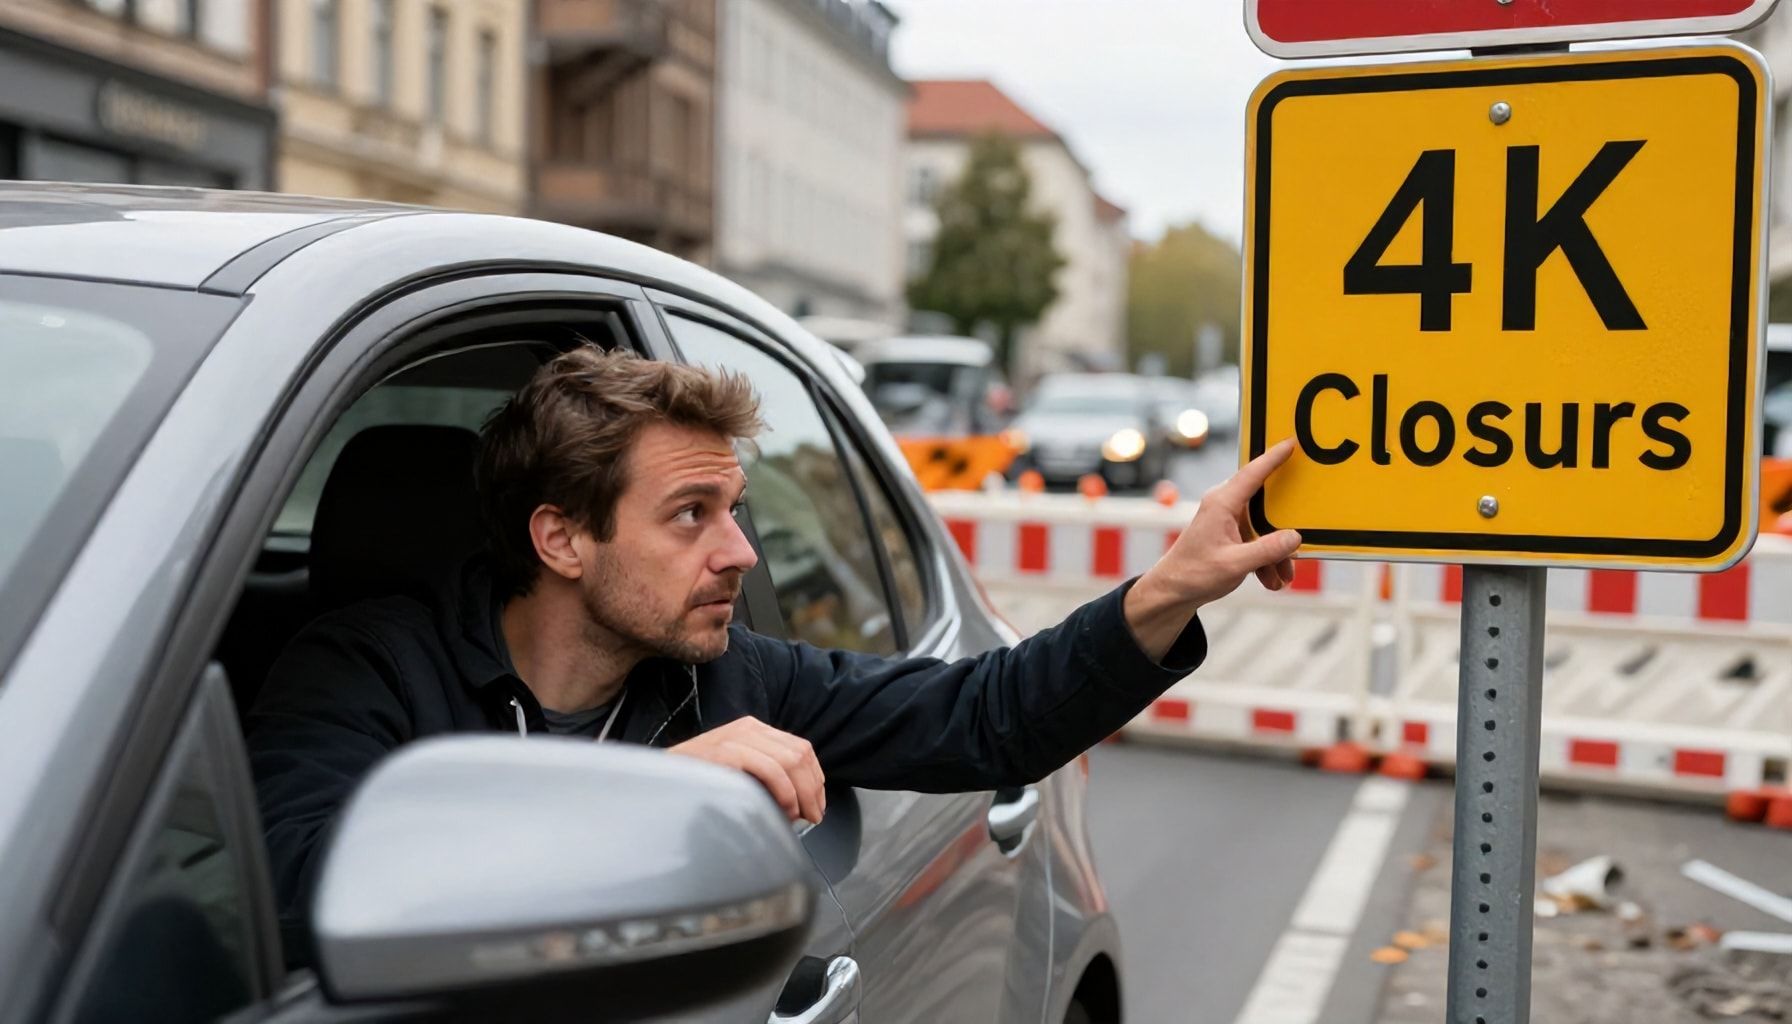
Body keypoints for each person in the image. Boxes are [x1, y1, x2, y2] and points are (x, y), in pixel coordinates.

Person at [246, 347, 1300, 959]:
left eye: (736, 509)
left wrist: (1171, 585)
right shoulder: (365, 669)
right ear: (560, 538)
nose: (741, 551)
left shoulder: (734, 678)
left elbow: (988, 715)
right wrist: (642, 792)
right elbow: (304, 897)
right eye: (691, 515)